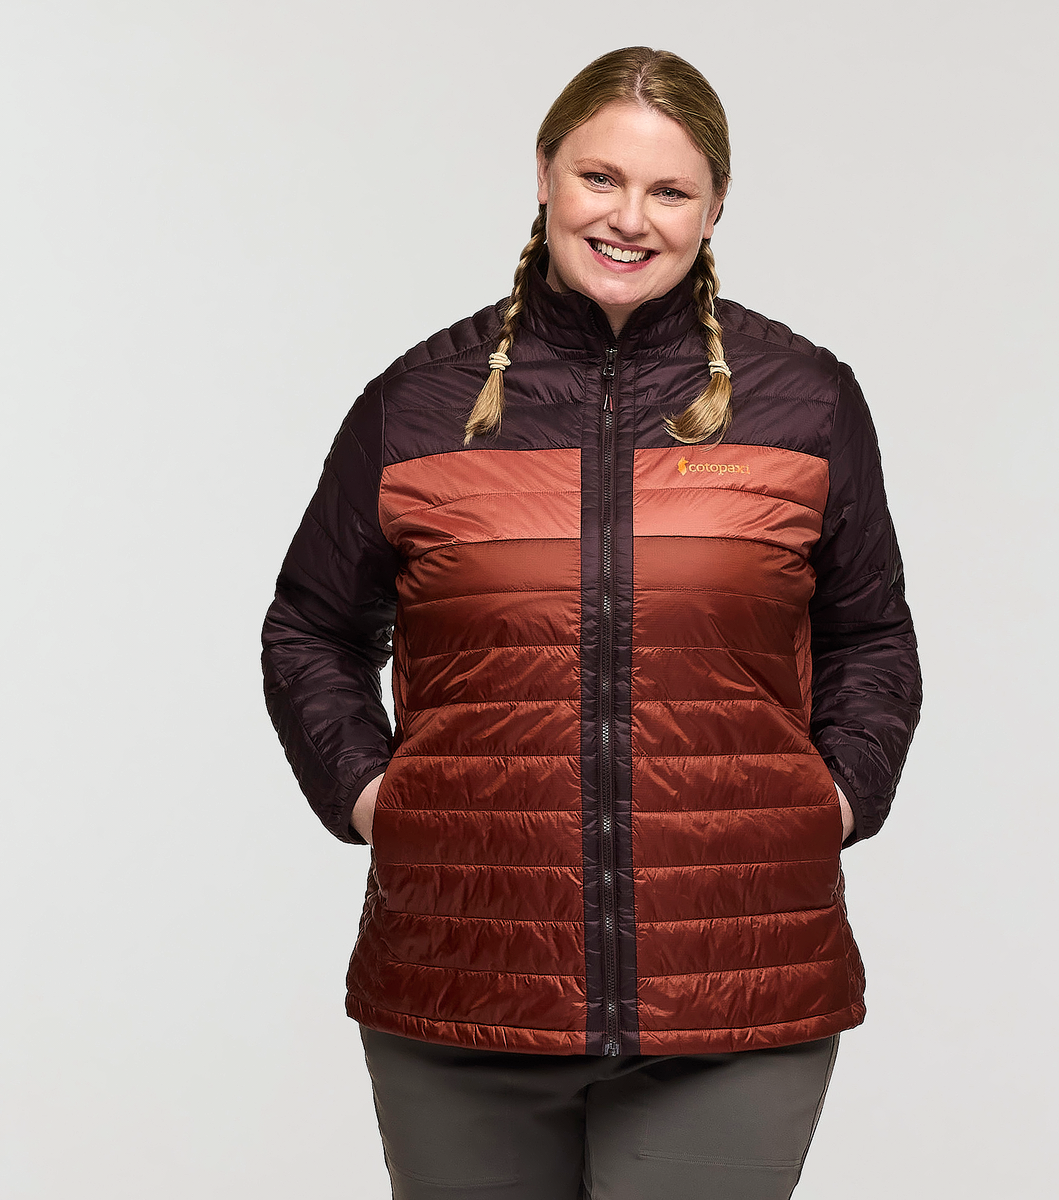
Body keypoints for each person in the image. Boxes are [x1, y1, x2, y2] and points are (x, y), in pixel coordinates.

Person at [262, 45, 921, 1200]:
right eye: (599, 177)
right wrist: (375, 797)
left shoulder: (805, 399)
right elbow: (310, 628)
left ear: (716, 205)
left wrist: (837, 796)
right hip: (463, 981)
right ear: (544, 176)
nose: (629, 217)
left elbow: (870, 637)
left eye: (669, 190)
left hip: (736, 987)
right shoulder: (417, 406)